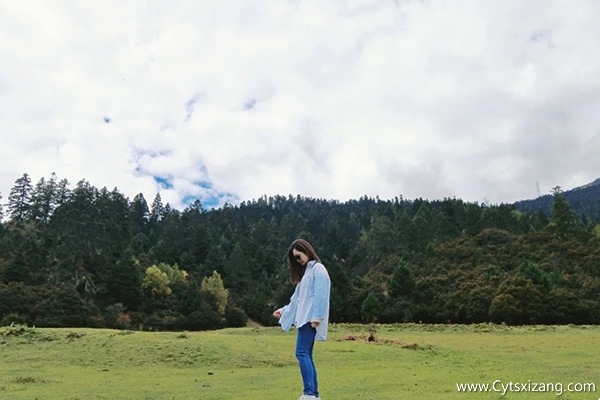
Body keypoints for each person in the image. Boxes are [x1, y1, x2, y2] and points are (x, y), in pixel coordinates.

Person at [273, 239, 331, 400]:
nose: (299, 261)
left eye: (299, 256)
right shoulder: (306, 273)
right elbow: (297, 299)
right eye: (295, 259)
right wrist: (284, 311)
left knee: (301, 353)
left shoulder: (318, 269)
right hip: (304, 318)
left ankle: (310, 393)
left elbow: (322, 295)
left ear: (306, 250)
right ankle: (313, 393)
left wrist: (317, 317)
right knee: (306, 354)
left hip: (309, 319)